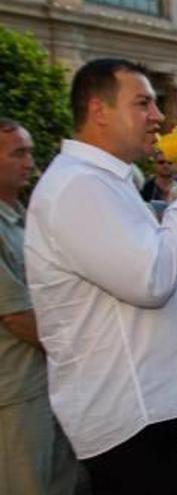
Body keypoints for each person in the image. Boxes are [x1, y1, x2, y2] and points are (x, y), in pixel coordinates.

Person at [24, 58, 177, 494]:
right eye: (143, 103)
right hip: (129, 419)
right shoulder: (77, 187)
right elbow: (152, 281)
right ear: (98, 110)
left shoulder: (104, 182)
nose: (158, 117)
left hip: (150, 409)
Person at [0, 118, 77, 495]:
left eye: (30, 151)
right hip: (16, 391)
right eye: (18, 153)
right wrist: (74, 354)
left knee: (60, 481)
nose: (30, 162)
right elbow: (15, 316)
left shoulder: (19, 219)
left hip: (45, 378)